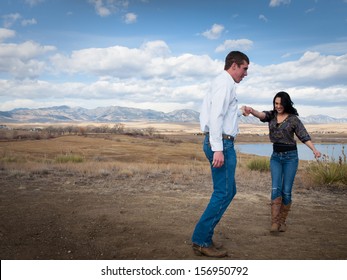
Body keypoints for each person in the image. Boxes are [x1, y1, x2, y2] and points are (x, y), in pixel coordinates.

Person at [191, 51, 250, 257]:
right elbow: (215, 116)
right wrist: (217, 148)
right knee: (222, 192)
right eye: (244, 69)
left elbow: (222, 113)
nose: (245, 73)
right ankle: (201, 239)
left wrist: (241, 111)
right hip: (221, 144)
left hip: (222, 142)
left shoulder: (224, 84)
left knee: (229, 190)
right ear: (234, 65)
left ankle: (203, 236)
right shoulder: (224, 83)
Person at [248, 91, 321, 233]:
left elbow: (304, 136)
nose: (278, 106)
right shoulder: (271, 116)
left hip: (290, 158)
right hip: (276, 157)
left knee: (286, 191)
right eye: (276, 103)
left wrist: (314, 150)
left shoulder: (293, 119)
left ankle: (282, 221)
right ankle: (274, 223)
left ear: (286, 103)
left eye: (281, 103)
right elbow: (261, 115)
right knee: (276, 188)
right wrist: (252, 111)